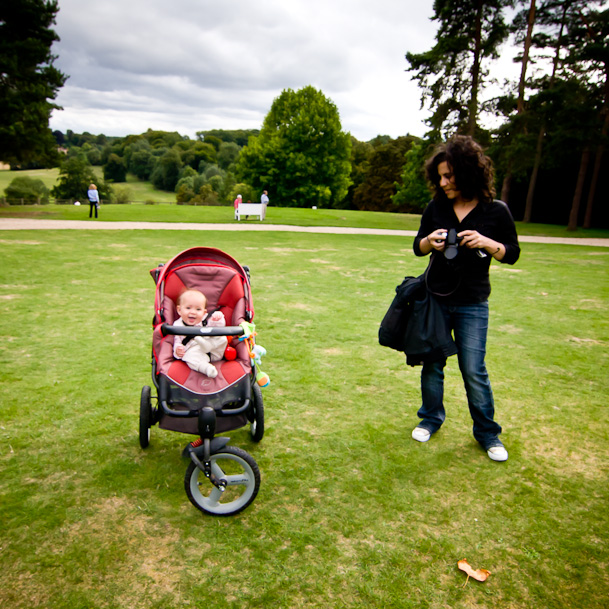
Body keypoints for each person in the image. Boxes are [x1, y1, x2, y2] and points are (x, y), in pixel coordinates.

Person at [411, 135, 520, 462]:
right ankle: (431, 418)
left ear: (469, 172)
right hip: (436, 300)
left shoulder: (495, 211)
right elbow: (417, 246)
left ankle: (488, 433)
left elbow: (511, 254)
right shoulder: (437, 207)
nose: (442, 182)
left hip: (473, 303)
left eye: (449, 176)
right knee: (432, 364)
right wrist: (431, 241)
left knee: (473, 369)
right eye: (440, 176)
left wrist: (487, 242)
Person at [172, 289, 228, 378]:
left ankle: (207, 345)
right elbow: (177, 341)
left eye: (198, 309)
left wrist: (218, 318)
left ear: (204, 312)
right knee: (189, 357)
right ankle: (207, 368)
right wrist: (178, 350)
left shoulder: (206, 319)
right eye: (188, 308)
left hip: (214, 351)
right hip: (197, 351)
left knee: (222, 337)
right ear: (179, 310)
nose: (193, 312)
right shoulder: (178, 326)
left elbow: (219, 327)